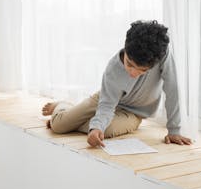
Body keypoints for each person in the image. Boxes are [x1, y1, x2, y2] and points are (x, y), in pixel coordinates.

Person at [41, 20, 192, 147]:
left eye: (142, 70)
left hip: (133, 112)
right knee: (59, 126)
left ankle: (75, 117)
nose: (133, 73)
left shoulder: (163, 56)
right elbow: (106, 105)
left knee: (105, 131)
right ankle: (63, 106)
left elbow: (173, 90)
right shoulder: (113, 69)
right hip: (107, 98)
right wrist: (96, 126)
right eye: (130, 64)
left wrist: (174, 130)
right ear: (125, 48)